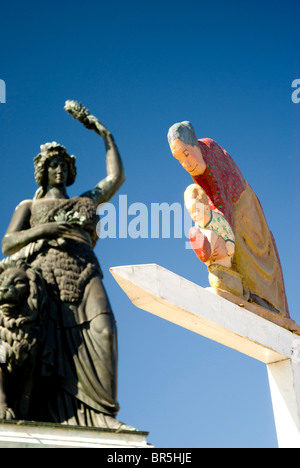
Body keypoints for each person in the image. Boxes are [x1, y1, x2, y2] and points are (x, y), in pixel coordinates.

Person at [1, 101, 127, 428]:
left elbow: (115, 177)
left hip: (85, 269)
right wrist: (45, 229)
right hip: (45, 278)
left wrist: (105, 133)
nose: (59, 169)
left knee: (104, 330)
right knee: (48, 349)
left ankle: (101, 414)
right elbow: (7, 243)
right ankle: (53, 415)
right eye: (53, 164)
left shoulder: (86, 199)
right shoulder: (30, 205)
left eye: (63, 164)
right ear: (44, 169)